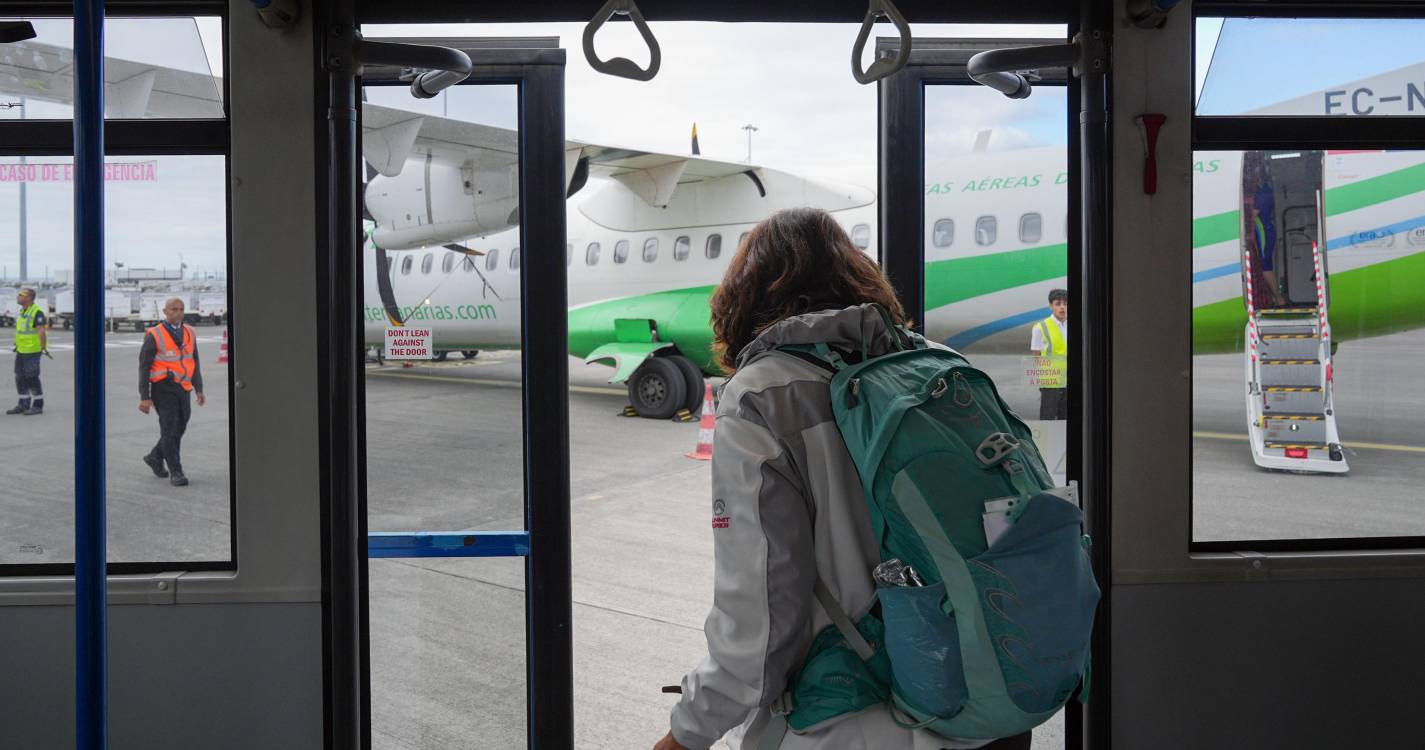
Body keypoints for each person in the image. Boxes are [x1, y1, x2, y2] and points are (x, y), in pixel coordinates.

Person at [654, 208, 1031, 750]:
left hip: (861, 722)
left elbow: (760, 615)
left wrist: (687, 732)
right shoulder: (941, 364)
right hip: (993, 698)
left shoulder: (763, 395)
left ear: (746, 293)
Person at [138, 297, 205, 486]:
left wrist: (199, 388)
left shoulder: (190, 332)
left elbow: (194, 361)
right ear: (165, 312)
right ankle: (176, 471)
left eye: (181, 309)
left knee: (180, 426)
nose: (178, 312)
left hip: (183, 387)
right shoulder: (155, 334)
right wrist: (145, 397)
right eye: (174, 309)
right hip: (163, 388)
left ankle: (154, 456)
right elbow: (144, 367)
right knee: (169, 428)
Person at [1029, 288, 1068, 421]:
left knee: (1066, 420)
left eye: (1066, 303)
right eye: (1058, 304)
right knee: (1048, 418)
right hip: (1051, 381)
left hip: (1068, 380)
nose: (1062, 307)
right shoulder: (1041, 327)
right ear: (1051, 306)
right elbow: (1036, 354)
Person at [7, 288, 47, 416]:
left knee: (32, 378)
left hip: (32, 351)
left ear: (29, 298)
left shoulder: (37, 312)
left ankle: (37, 405)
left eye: (21, 295)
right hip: (21, 350)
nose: (18, 296)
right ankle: (23, 403)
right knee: (20, 377)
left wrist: (43, 347)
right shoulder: (23, 312)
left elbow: (41, 331)